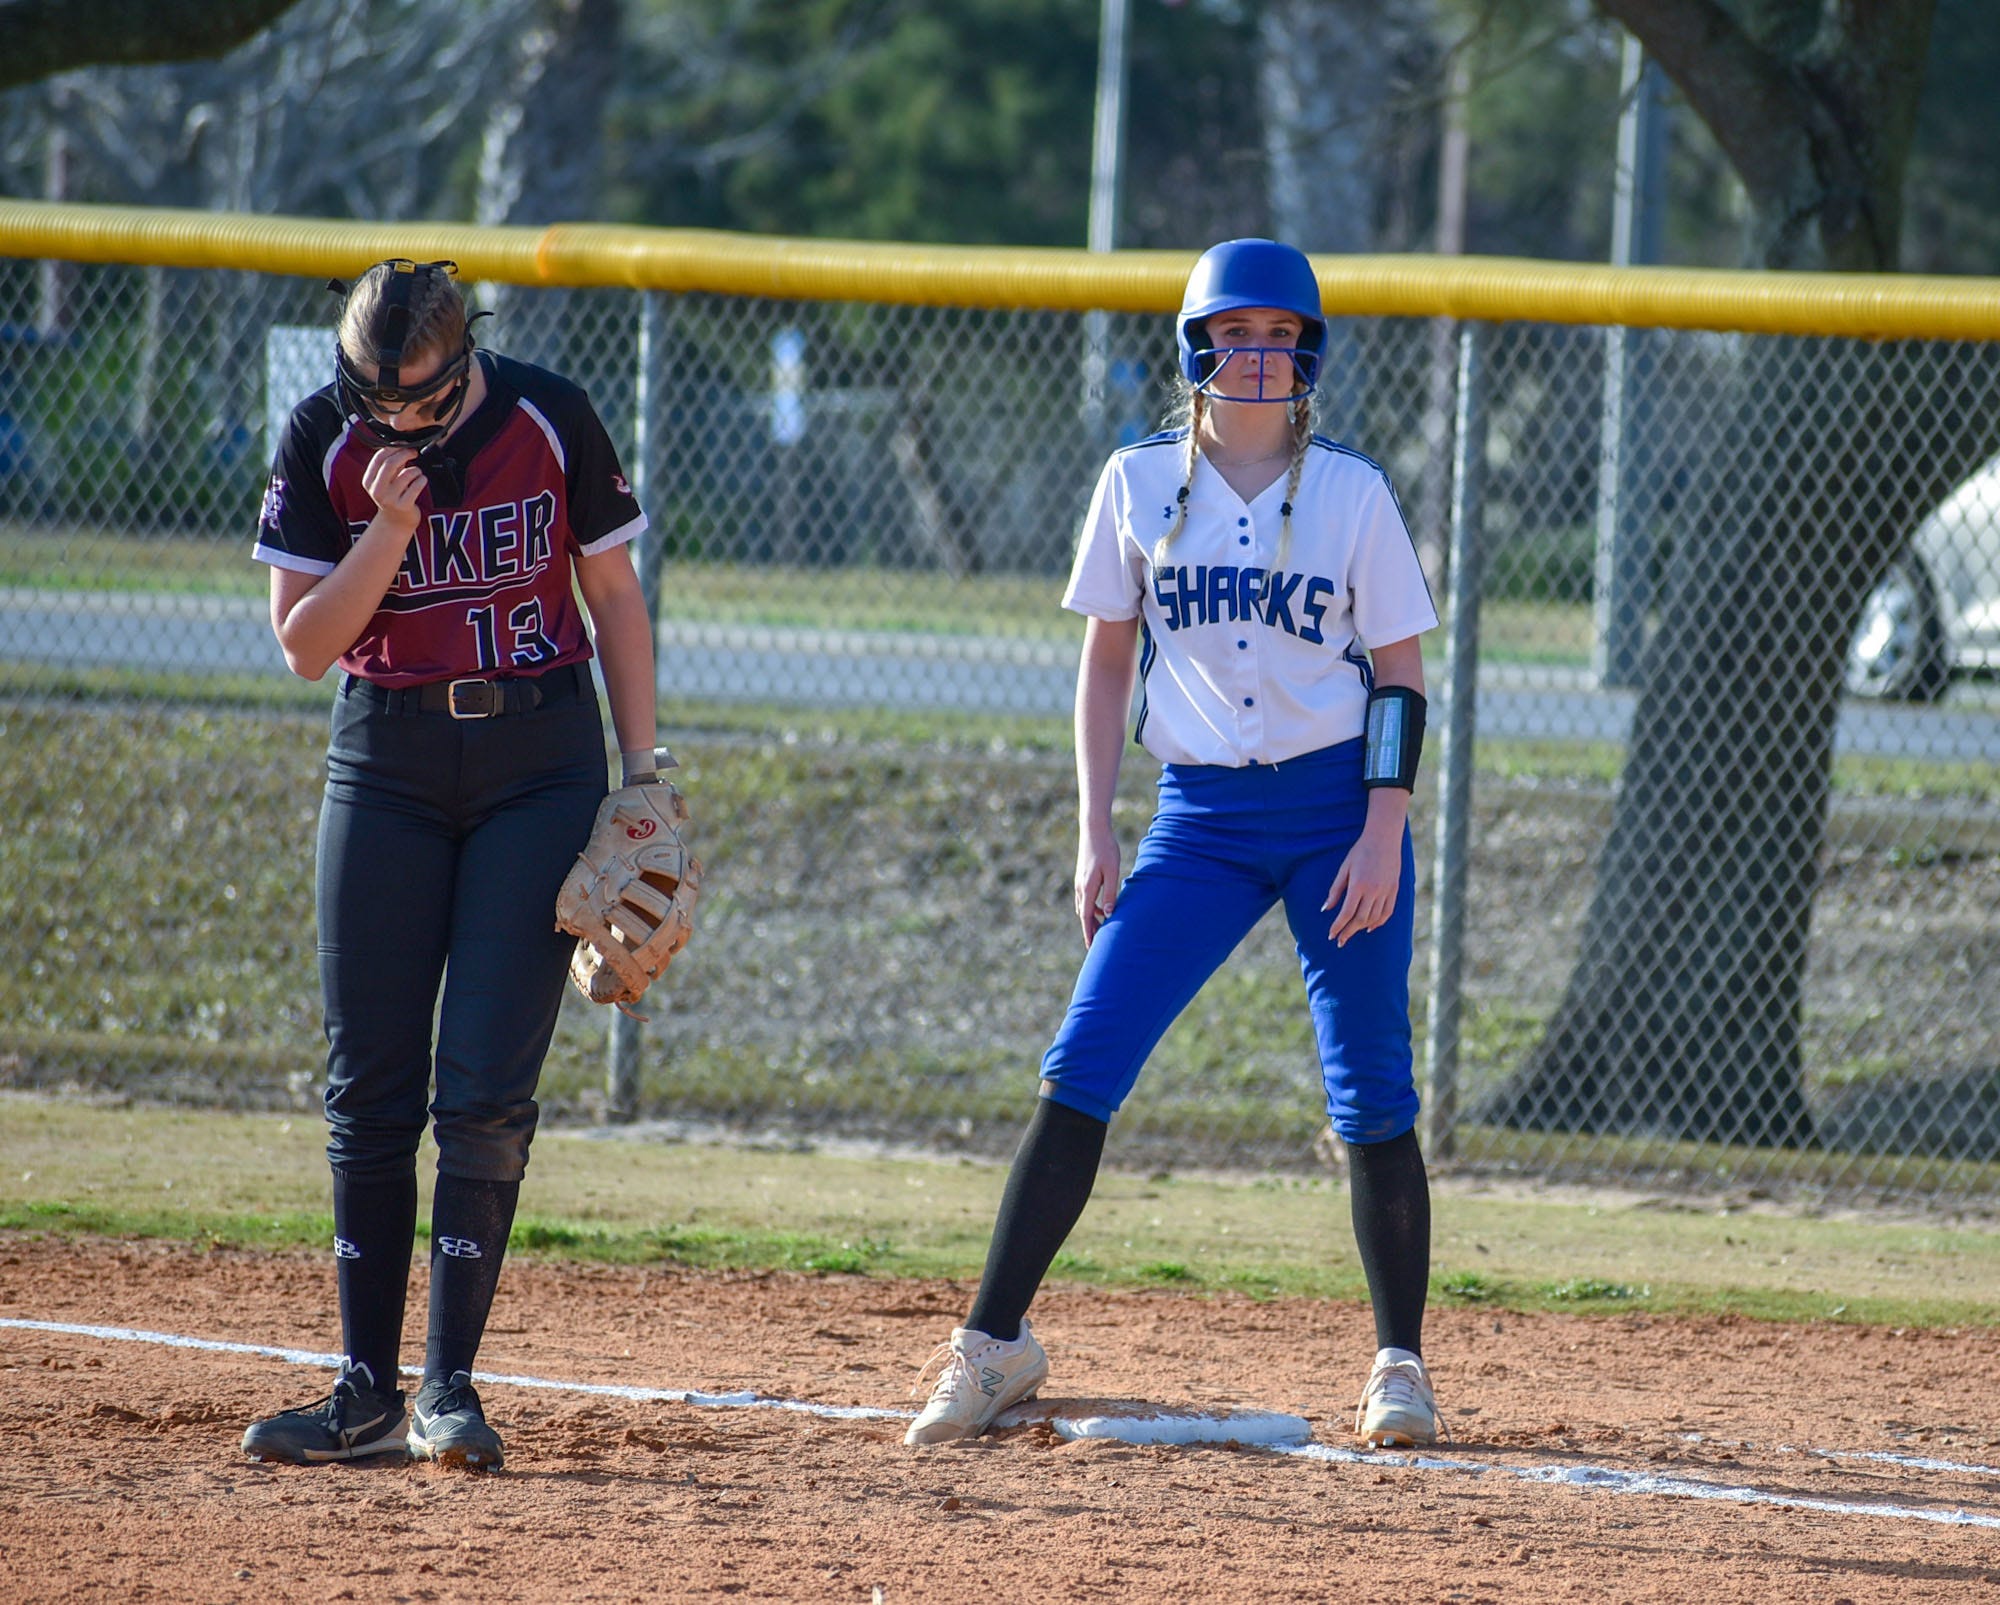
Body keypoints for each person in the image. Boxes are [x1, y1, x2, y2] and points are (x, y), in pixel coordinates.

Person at [903, 239, 1443, 1451]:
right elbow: (1104, 664)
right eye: (1234, 333)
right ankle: (990, 1348)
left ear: (1309, 353)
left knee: (1369, 1087)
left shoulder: (1351, 491)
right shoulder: (1137, 481)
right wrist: (1092, 824)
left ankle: (1398, 1364)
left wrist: (1380, 829)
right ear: (1196, 349)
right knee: (1081, 1060)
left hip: (1330, 815)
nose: (1257, 356)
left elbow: (1401, 678)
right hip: (1193, 819)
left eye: (1279, 335)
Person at [242, 259, 665, 1470]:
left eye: (424, 398)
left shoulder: (545, 412)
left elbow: (614, 601)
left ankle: (449, 1391)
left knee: (481, 1094)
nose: (401, 420)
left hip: (538, 762)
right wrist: (386, 527)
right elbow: (306, 647)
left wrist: (647, 777)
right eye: (379, 400)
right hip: (384, 762)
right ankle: (363, 1388)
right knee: (366, 1090)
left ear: (465, 354)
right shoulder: (326, 435)